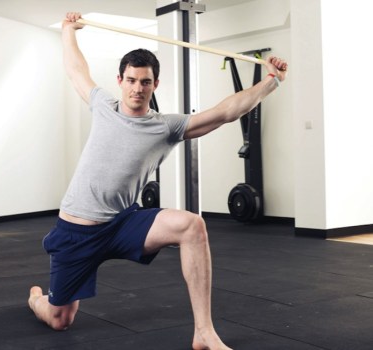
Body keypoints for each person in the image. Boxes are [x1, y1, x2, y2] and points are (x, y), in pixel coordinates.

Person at [28, 12, 288, 350]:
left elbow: (226, 112)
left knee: (192, 226)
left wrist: (273, 81)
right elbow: (76, 69)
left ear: (155, 84)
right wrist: (67, 31)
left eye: (145, 81)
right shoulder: (102, 105)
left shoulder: (167, 126)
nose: (138, 88)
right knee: (59, 319)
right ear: (120, 80)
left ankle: (204, 333)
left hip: (123, 223)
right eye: (132, 80)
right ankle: (37, 299)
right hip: (76, 231)